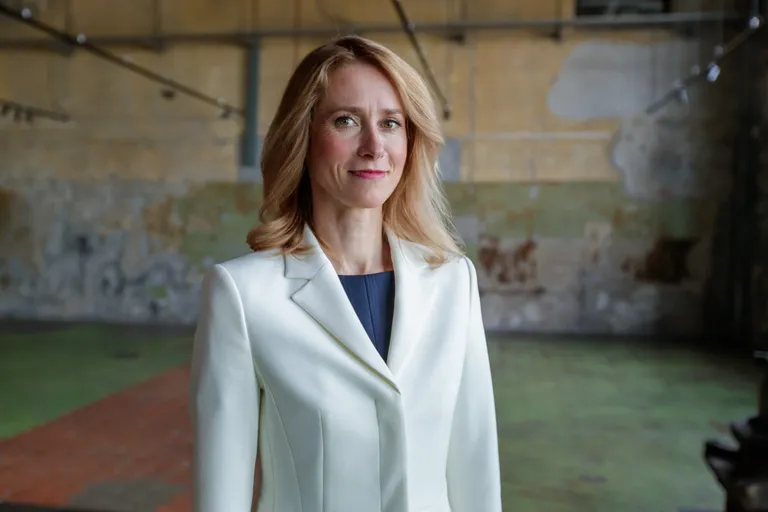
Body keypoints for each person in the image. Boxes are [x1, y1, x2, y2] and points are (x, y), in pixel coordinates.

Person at [189, 34, 502, 512]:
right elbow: (222, 491)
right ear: (303, 138)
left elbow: (474, 464)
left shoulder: (452, 281)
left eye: (391, 123)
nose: (374, 147)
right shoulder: (243, 295)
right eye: (346, 121)